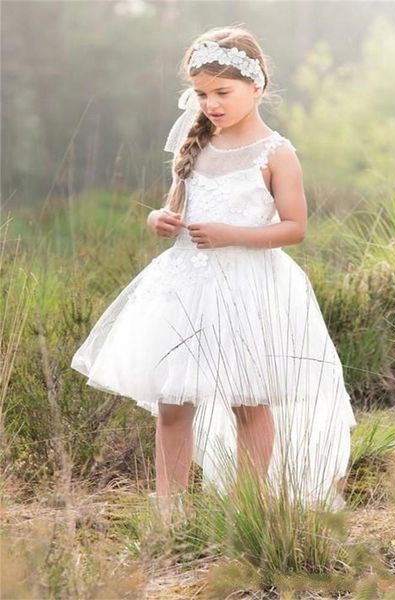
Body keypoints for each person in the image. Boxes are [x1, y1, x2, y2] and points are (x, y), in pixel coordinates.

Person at [71, 25, 357, 519]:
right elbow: (172, 208)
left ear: (257, 85)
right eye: (202, 93)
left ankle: (248, 511)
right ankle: (171, 514)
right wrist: (156, 219)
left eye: (222, 93)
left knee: (249, 402)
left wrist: (233, 234)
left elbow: (295, 227)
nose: (211, 104)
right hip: (184, 286)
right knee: (174, 403)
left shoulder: (276, 153)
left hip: (248, 286)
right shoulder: (195, 143)